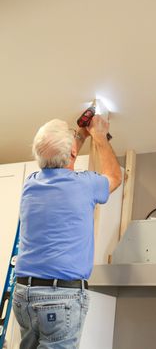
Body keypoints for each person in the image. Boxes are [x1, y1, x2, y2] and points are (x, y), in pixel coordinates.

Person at [13, 114, 122, 349]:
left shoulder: (31, 183)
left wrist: (80, 135)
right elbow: (114, 177)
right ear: (72, 153)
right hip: (59, 297)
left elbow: (61, 159)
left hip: (24, 294)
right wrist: (100, 137)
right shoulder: (85, 184)